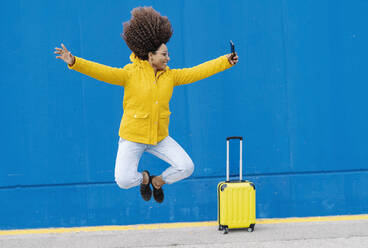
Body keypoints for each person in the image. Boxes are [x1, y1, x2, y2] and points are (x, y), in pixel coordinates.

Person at [54, 6, 238, 203]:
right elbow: (102, 71)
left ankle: (158, 181)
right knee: (123, 180)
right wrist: (74, 61)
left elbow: (198, 71)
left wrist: (225, 61)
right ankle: (145, 178)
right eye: (164, 55)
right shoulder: (130, 73)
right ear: (151, 55)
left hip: (158, 137)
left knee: (186, 167)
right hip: (132, 137)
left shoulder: (171, 76)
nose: (168, 58)